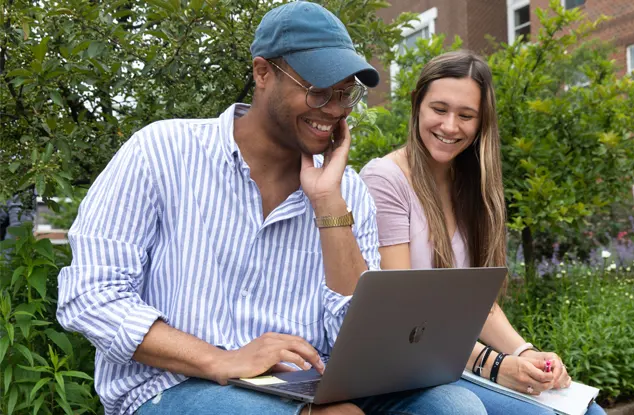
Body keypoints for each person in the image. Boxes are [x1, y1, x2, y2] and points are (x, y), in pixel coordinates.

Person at [56, 4, 486, 415]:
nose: (335, 110)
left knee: (456, 407)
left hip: (302, 381)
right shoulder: (161, 152)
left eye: (346, 94)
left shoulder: (346, 189)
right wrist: (218, 359)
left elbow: (356, 335)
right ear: (263, 73)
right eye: (319, 92)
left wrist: (328, 206)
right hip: (173, 384)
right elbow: (91, 296)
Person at [360, 51, 607, 415]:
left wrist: (527, 354)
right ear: (417, 105)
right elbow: (405, 313)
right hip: (402, 365)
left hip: (449, 361)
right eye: (439, 109)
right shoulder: (386, 179)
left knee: (589, 412)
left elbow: (482, 308)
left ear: (481, 122)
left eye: (466, 115)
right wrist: (493, 364)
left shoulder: (473, 186)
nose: (450, 126)